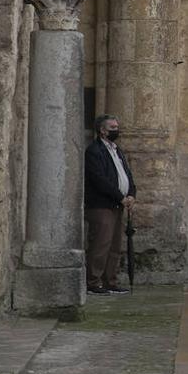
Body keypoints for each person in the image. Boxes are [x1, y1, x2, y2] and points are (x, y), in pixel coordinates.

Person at [84, 114, 137, 295]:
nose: (116, 130)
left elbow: (126, 174)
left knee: (114, 246)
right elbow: (100, 179)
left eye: (117, 126)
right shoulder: (94, 151)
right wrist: (119, 196)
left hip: (117, 204)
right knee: (100, 244)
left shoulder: (117, 150)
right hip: (102, 205)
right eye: (113, 127)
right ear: (102, 130)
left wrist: (131, 194)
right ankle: (93, 282)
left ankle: (109, 281)